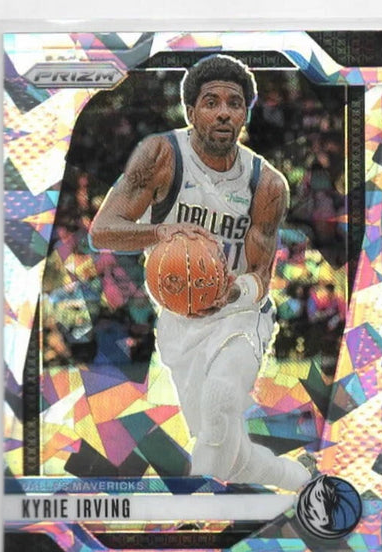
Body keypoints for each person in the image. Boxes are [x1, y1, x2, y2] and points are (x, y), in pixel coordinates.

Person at [90, 54, 311, 490]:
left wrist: (231, 292)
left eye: (234, 103)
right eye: (212, 102)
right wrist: (159, 231)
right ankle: (302, 479)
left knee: (220, 397)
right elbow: (102, 230)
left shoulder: (267, 184)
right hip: (180, 319)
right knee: (229, 453)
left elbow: (260, 276)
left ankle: (198, 502)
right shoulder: (161, 156)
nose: (224, 112)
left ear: (245, 114)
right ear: (191, 112)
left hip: (240, 315)